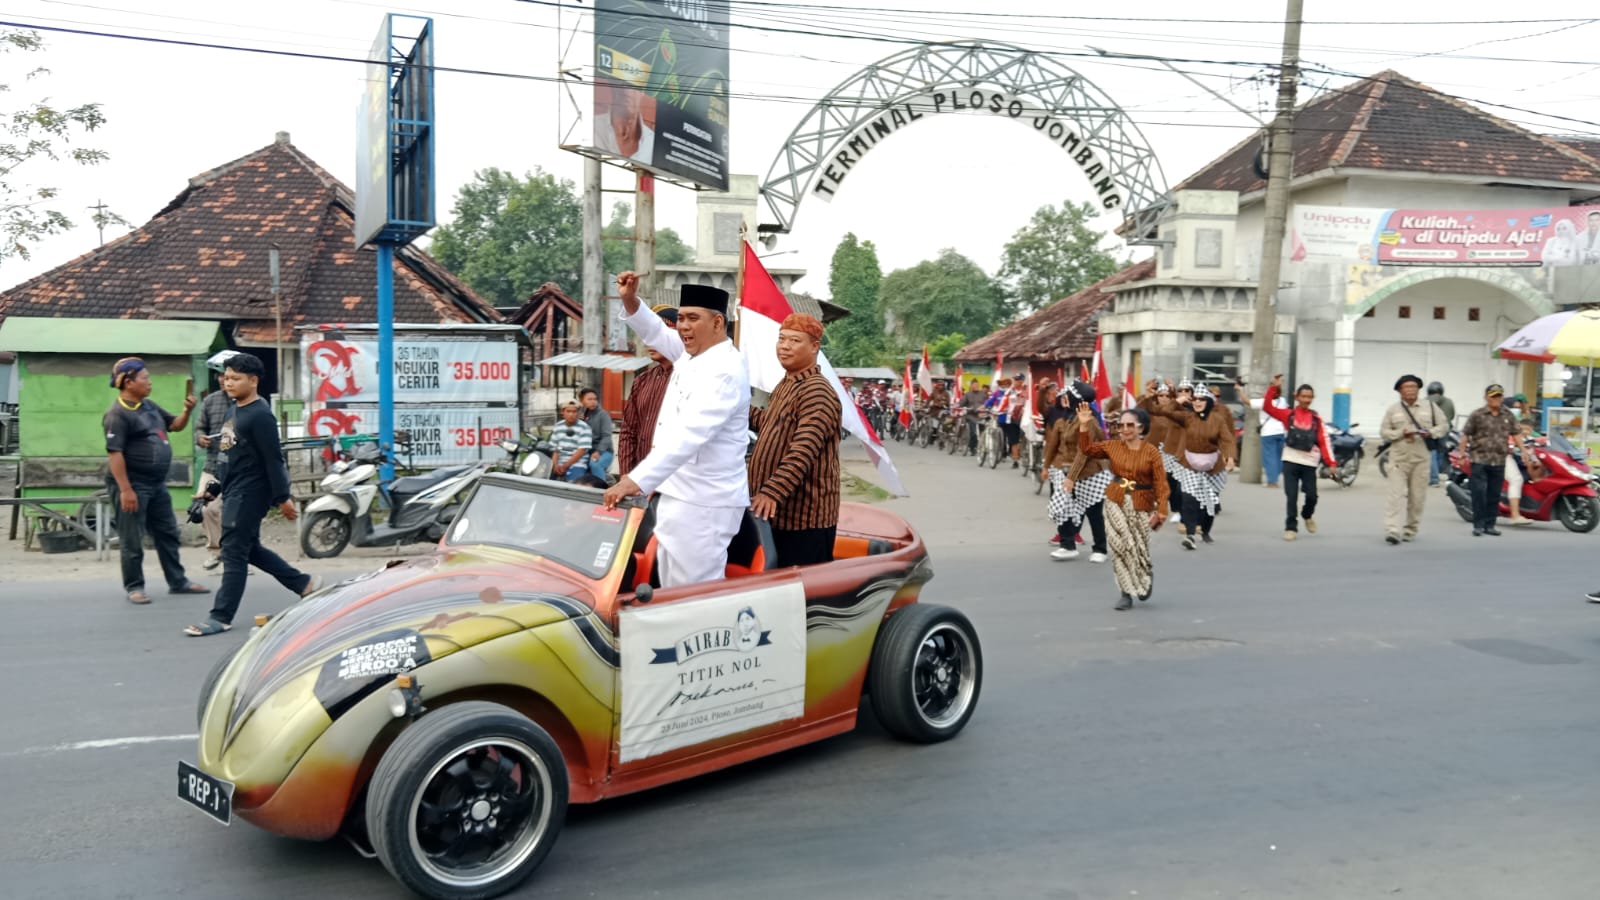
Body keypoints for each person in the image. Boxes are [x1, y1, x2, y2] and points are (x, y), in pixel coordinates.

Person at [602, 273, 751, 587]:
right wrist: (629, 299)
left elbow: (688, 436)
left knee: (695, 595)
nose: (683, 326)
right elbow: (655, 330)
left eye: (692, 318)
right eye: (681, 318)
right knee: (672, 590)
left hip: (705, 502)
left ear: (717, 323)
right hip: (678, 494)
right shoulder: (691, 354)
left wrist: (634, 480)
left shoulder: (725, 370)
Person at [185, 353, 318, 636]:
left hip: (251, 494)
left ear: (253, 380)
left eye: (235, 378)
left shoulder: (260, 415)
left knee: (233, 550)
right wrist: (213, 489)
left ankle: (220, 616)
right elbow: (229, 456)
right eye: (226, 377)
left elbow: (273, 459)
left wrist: (283, 497)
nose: (228, 383)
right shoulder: (234, 411)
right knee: (249, 549)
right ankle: (303, 583)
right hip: (233, 489)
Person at [103, 357, 208, 605]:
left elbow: (175, 426)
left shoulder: (148, 406)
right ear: (128, 382)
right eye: (144, 378)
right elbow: (114, 454)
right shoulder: (117, 414)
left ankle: (178, 581)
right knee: (132, 538)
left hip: (156, 484)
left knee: (167, 532)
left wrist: (187, 410)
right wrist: (126, 489)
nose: (149, 382)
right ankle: (134, 586)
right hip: (133, 484)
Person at [746, 313, 842, 567]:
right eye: (781, 339)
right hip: (774, 515)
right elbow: (769, 425)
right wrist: (739, 408)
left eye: (794, 340)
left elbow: (803, 451)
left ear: (814, 347)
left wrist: (771, 492)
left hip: (804, 521)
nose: (784, 346)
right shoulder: (787, 384)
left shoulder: (817, 391)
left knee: (804, 594)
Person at [1076, 404, 1170, 611]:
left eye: (1130, 425)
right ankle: (1125, 594)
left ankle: (1145, 576)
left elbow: (1161, 483)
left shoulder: (1151, 452)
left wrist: (1162, 509)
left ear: (1140, 428)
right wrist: (1084, 426)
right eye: (1121, 425)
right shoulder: (1113, 446)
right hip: (1115, 499)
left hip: (1142, 502)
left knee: (1138, 547)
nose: (1125, 429)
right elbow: (1087, 449)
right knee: (1120, 545)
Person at [1152, 384, 1237, 549]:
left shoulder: (1217, 419)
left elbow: (1227, 439)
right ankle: (1190, 534)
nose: (1198, 402)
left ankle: (1205, 530)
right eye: (1195, 399)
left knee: (1208, 504)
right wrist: (1177, 400)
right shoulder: (1187, 417)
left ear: (1209, 402)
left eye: (1202, 399)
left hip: (1213, 466)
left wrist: (1230, 458)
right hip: (1190, 464)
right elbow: (1164, 412)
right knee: (1188, 499)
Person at [1259, 375, 1337, 541]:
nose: (1306, 400)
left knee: (1312, 496)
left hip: (1309, 462)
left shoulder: (1317, 419)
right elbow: (1267, 407)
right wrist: (1273, 387)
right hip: (1290, 460)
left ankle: (1307, 515)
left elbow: (1324, 441)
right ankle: (1290, 527)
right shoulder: (1289, 415)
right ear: (1297, 397)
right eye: (1303, 396)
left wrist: (1331, 463)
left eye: (1309, 397)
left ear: (1312, 399)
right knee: (1291, 496)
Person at [1380, 374, 1450, 544]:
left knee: (1417, 498)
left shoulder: (1431, 407)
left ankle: (1411, 529)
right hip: (1398, 459)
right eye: (1407, 387)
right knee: (1394, 496)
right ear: (1400, 391)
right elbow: (1384, 432)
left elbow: (1444, 425)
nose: (1411, 390)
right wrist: (1400, 433)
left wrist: (1431, 432)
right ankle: (1393, 530)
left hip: (1421, 459)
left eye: (1414, 387)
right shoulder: (1393, 410)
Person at [1044, 381, 1109, 562]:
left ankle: (1100, 549)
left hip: (1089, 474)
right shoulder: (1070, 417)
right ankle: (1067, 545)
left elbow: (1084, 452)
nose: (1065, 398)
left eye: (1069, 396)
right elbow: (1059, 445)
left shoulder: (1090, 421)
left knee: (1093, 513)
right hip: (1067, 472)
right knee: (1063, 507)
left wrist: (1071, 477)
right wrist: (1051, 468)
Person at [192, 350, 240, 571]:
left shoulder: (248, 403)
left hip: (238, 469)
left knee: (235, 513)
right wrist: (200, 438)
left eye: (230, 376)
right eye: (221, 376)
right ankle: (215, 551)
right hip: (212, 465)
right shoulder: (210, 401)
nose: (224, 380)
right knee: (203, 509)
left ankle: (239, 556)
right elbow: (199, 428)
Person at [618, 305, 677, 475]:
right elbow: (628, 431)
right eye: (648, 336)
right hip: (639, 480)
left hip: (674, 484)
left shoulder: (690, 380)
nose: (651, 342)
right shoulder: (642, 381)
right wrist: (626, 476)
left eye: (658, 336)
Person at [1461, 384, 1520, 537]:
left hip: (1499, 460)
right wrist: (1462, 453)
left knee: (1494, 494)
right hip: (1479, 458)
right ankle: (1478, 525)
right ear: (1486, 397)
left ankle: (1490, 525)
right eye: (1493, 396)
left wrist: (1525, 450)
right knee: (1479, 492)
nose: (1496, 399)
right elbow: (1466, 434)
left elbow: (1517, 433)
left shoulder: (1507, 415)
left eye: (1499, 396)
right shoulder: (1478, 414)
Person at [1250, 377, 1289, 488]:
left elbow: (1246, 401)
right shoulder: (1283, 400)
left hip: (1268, 433)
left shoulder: (1263, 402)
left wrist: (1239, 390)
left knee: (1269, 457)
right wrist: (1277, 385)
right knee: (1279, 457)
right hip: (1281, 432)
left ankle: (1272, 481)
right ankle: (1275, 476)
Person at [550, 400, 594, 482]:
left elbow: (581, 451)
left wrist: (565, 466)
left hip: (577, 463)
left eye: (574, 412)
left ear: (578, 413)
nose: (571, 414)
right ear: (563, 412)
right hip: (559, 463)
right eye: (568, 411)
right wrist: (555, 465)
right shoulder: (558, 426)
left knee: (574, 487)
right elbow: (555, 450)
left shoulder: (584, 427)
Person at [578, 387, 615, 483]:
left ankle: (600, 491)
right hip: (586, 451)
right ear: (582, 401)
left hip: (604, 452)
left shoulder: (603, 415)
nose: (593, 402)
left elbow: (607, 436)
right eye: (589, 399)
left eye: (595, 399)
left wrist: (598, 451)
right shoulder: (581, 415)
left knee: (595, 464)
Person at [1426, 382, 1456, 486]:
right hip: (1444, 430)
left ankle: (1433, 478)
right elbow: (1452, 415)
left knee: (1432, 453)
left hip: (1431, 431)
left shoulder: (1425, 402)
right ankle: (1436, 473)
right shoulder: (1449, 402)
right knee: (1440, 453)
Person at [962, 379, 986, 454]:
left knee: (983, 432)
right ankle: (973, 447)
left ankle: (983, 446)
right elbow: (962, 402)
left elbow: (988, 402)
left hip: (981, 415)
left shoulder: (983, 394)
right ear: (971, 386)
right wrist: (958, 405)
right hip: (971, 415)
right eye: (974, 385)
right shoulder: (968, 394)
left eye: (977, 385)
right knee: (973, 432)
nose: (976, 386)